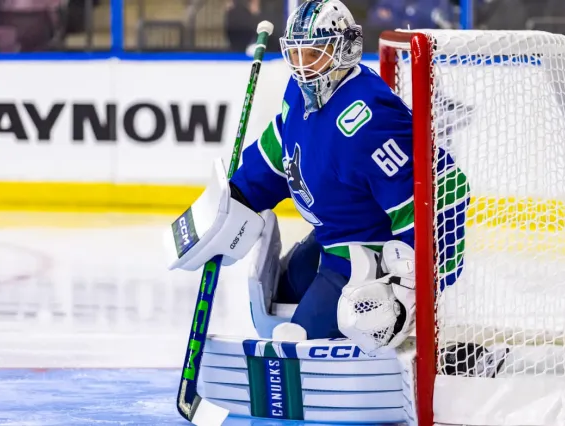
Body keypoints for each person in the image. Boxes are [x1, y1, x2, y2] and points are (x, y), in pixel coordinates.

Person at [166, 0, 469, 355]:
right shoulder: (298, 92)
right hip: (331, 238)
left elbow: (437, 190)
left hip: (368, 254)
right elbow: (277, 153)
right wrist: (237, 197)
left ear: (345, 50)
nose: (302, 67)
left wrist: (411, 285)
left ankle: (426, 353)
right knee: (278, 291)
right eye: (295, 55)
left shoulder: (367, 120)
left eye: (314, 55)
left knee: (301, 341)